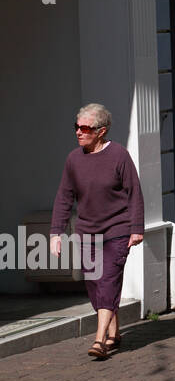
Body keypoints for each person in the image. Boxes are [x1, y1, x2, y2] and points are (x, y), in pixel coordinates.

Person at [51, 104, 145, 360]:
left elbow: (134, 193)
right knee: (94, 284)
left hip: (117, 230)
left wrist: (136, 228)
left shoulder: (119, 155)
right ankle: (114, 332)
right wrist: (56, 232)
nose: (79, 132)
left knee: (107, 281)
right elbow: (64, 197)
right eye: (77, 127)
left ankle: (99, 339)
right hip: (87, 233)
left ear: (101, 131)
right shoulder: (74, 159)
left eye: (85, 128)